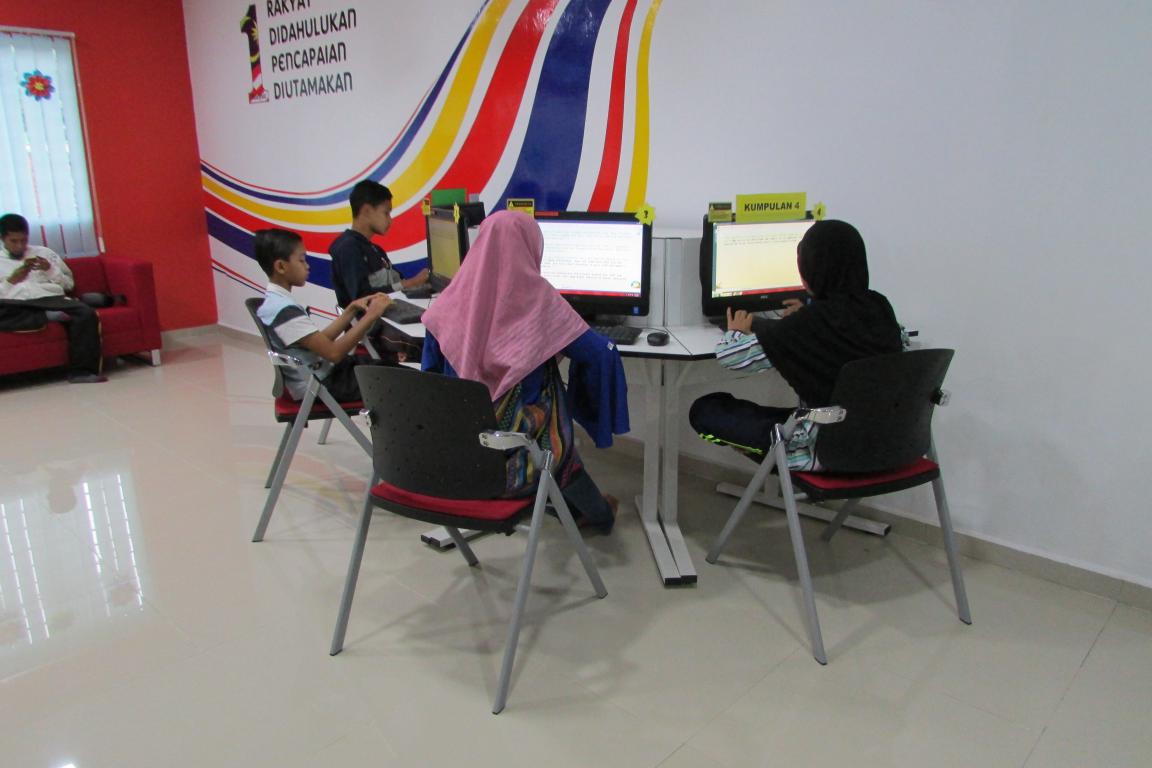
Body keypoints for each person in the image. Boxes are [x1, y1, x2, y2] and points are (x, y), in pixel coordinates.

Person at [420, 210, 629, 532]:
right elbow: (599, 354)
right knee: (555, 437)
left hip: (457, 455)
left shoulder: (447, 303)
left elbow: (431, 379)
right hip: (517, 458)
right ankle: (599, 515)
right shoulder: (541, 301)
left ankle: (588, 508)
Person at [689, 219, 903, 470]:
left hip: (823, 450)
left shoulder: (806, 326)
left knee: (705, 411)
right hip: (889, 444)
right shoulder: (880, 307)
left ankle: (770, 454)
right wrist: (805, 315)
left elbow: (730, 358)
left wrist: (736, 331)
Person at [254, 228, 395, 402]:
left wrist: (350, 310)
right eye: (301, 260)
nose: (307, 266)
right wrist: (371, 316)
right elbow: (333, 353)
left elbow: (321, 341)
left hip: (326, 375)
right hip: (323, 384)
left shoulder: (277, 302)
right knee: (405, 383)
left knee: (394, 371)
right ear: (281, 266)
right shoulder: (283, 311)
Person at [0, 213, 106, 383]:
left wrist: (49, 269)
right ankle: (47, 315)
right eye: (14, 241)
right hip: (13, 302)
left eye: (24, 240)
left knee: (85, 313)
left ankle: (82, 372)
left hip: (49, 298)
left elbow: (69, 285)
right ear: (2, 239)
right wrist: (11, 280)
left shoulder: (44, 253)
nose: (20, 246)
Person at [328, 180, 428, 306]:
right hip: (371, 318)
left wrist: (418, 283)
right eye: (386, 213)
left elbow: (397, 283)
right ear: (367, 211)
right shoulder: (348, 249)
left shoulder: (375, 250)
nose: (390, 220)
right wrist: (412, 282)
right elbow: (362, 298)